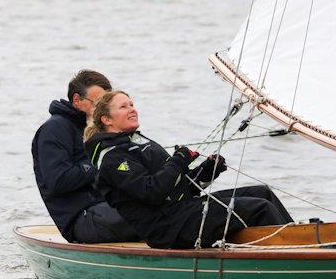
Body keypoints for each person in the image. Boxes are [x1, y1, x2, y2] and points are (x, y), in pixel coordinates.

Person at [84, 90, 293, 249]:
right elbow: (151, 192)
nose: (132, 108)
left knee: (262, 192)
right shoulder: (112, 158)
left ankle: (307, 241)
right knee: (260, 207)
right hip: (168, 228)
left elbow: (182, 187)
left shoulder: (136, 143)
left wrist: (207, 171)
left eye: (131, 104)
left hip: (183, 211)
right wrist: (179, 161)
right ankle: (294, 256)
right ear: (107, 119)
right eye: (123, 107)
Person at [32, 70, 137, 243]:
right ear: (77, 100)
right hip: (81, 218)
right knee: (145, 215)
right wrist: (101, 161)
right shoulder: (54, 130)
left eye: (106, 102)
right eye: (97, 102)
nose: (102, 109)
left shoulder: (99, 128)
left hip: (109, 207)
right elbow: (58, 181)